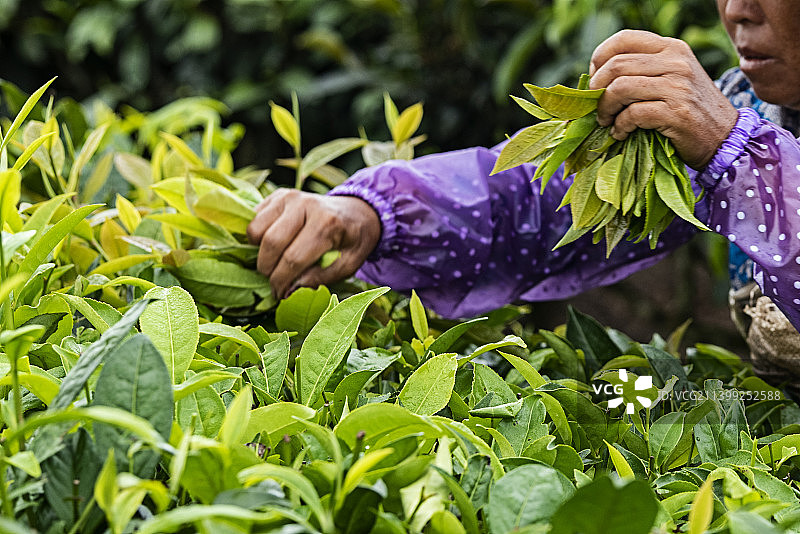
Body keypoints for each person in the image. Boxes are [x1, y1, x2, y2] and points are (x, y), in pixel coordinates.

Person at [248, 1, 800, 385]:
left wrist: (735, 154)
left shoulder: (730, 131)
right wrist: (373, 213)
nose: (737, 10)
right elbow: (536, 204)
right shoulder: (741, 109)